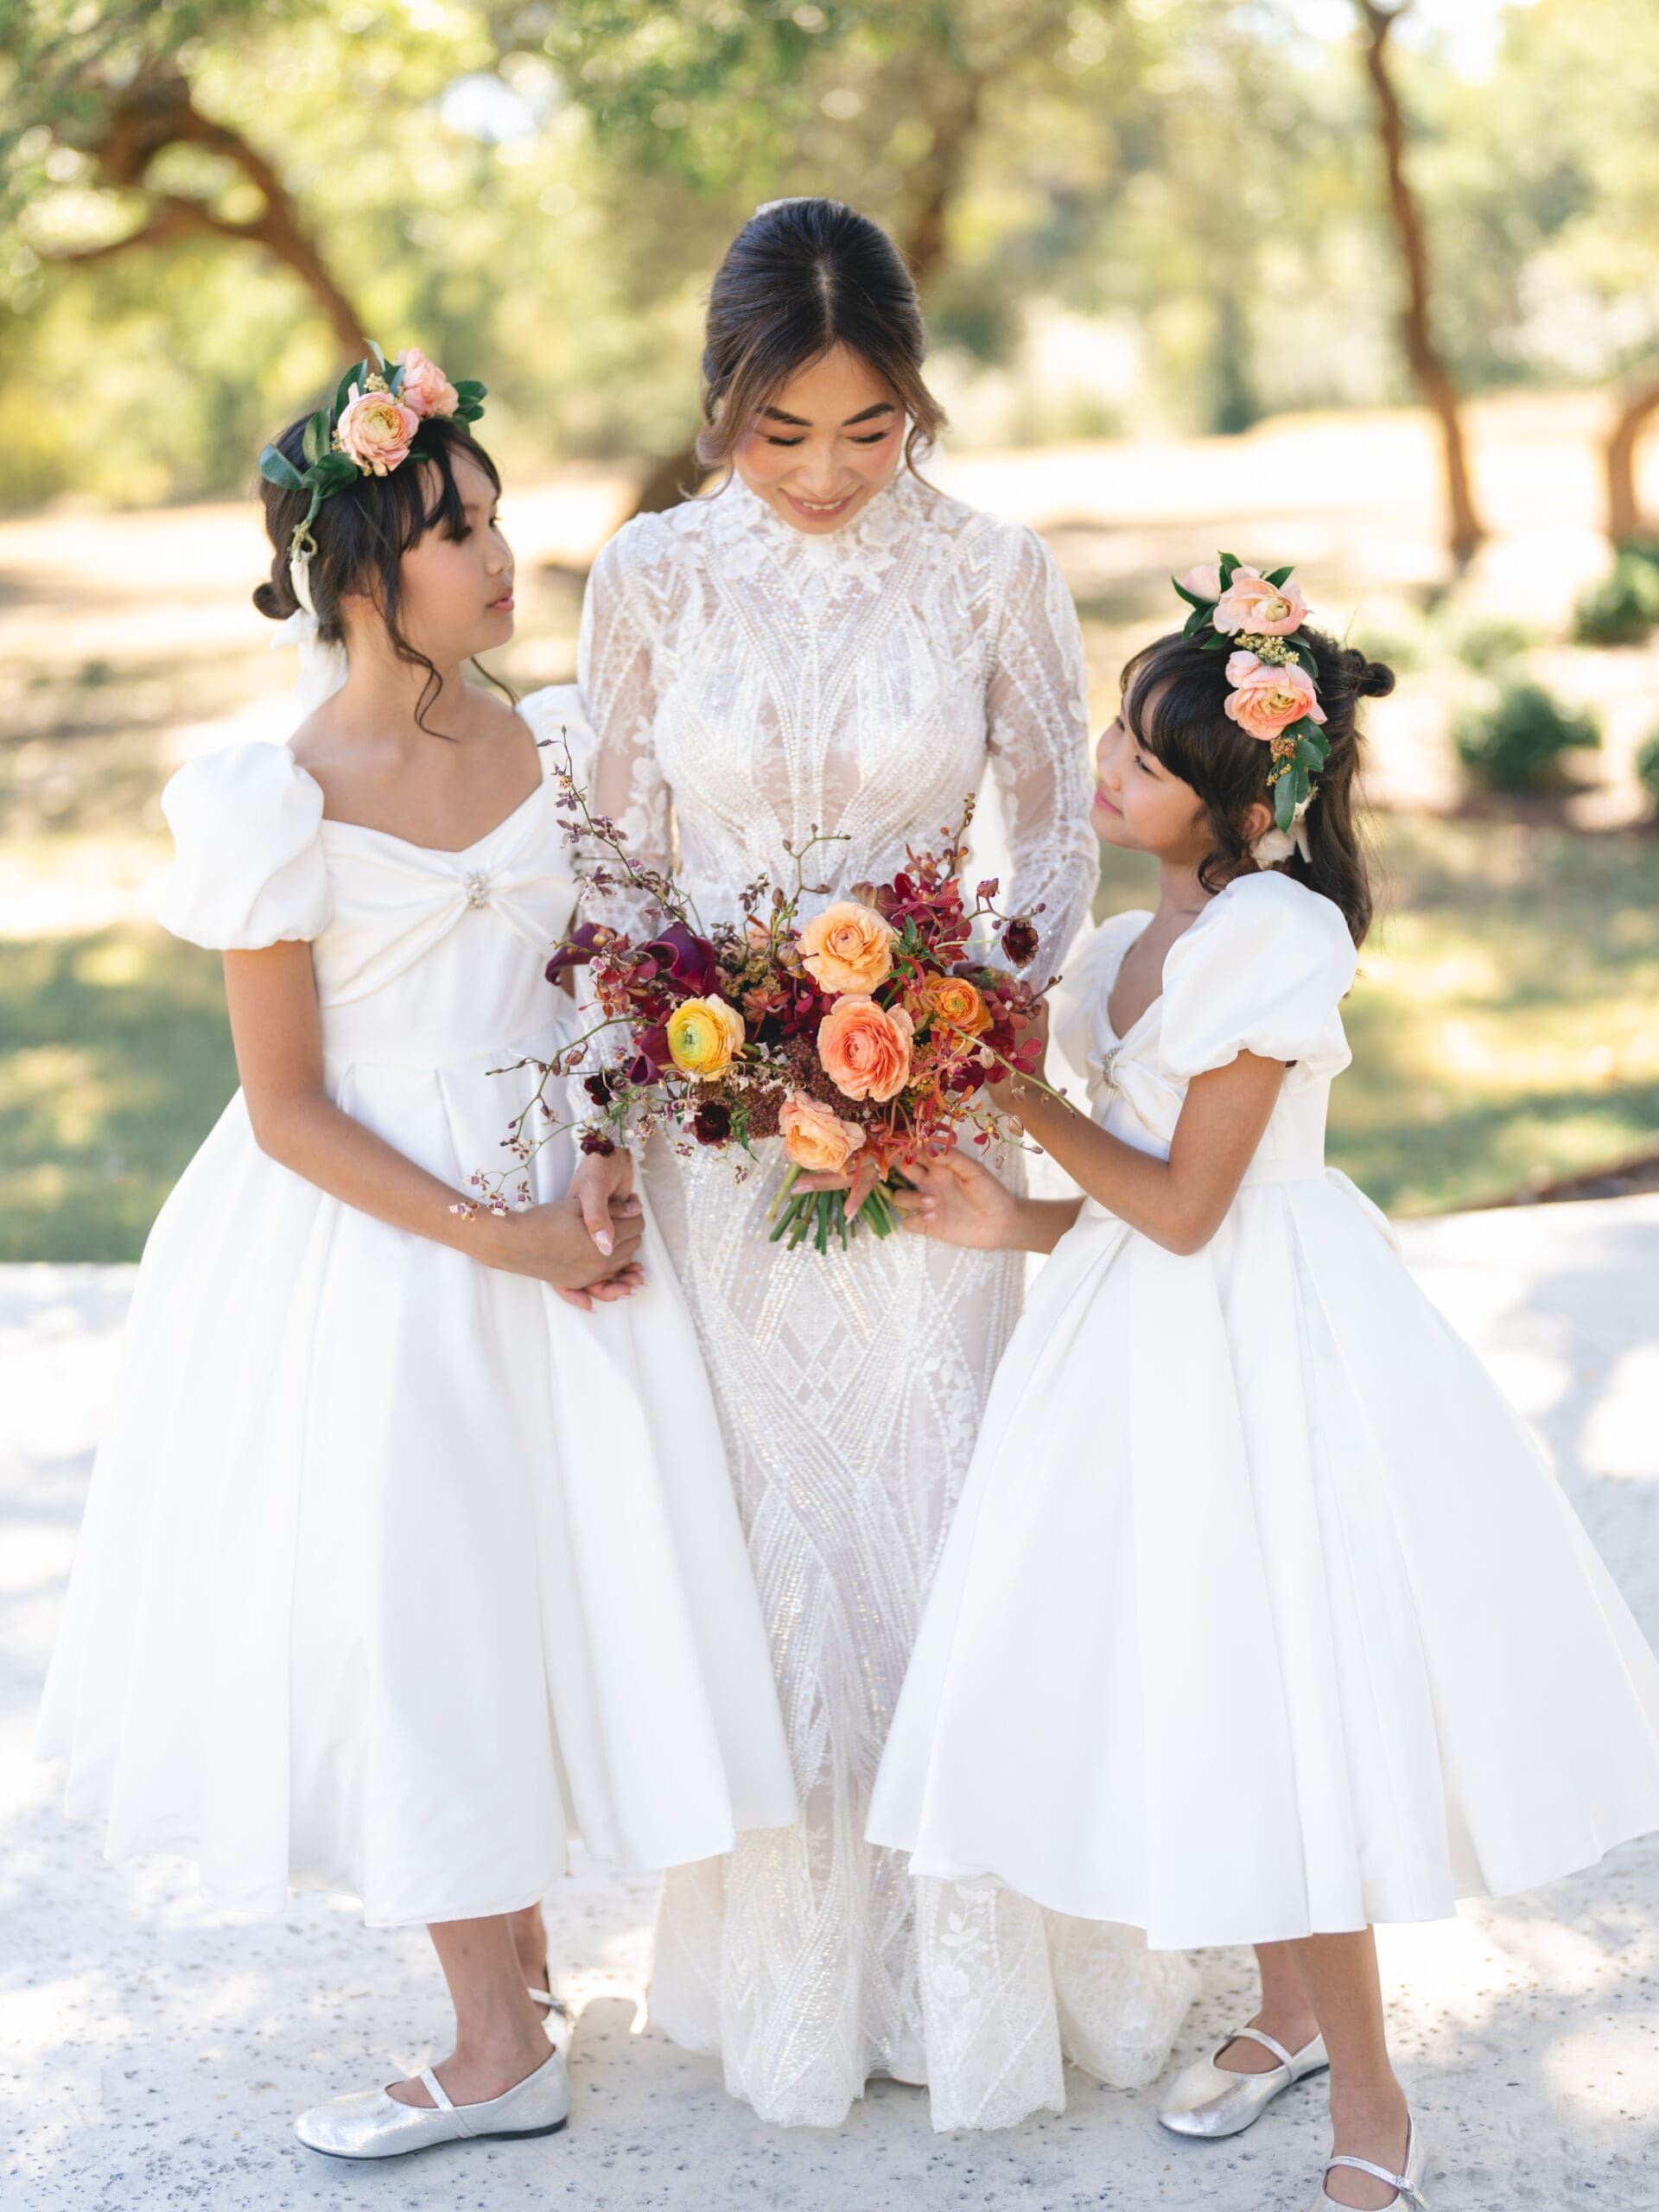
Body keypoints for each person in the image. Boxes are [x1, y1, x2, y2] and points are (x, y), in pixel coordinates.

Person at [35, 346, 795, 2162]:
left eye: (498, 514)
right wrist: (501, 1236)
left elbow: (595, 979)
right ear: (361, 565)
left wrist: (594, 1157)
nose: (503, 552)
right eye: (459, 528)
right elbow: (289, 1109)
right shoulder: (269, 799)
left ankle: (518, 1989)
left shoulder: (534, 740)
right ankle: (486, 2033)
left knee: (530, 1585)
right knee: (426, 1604)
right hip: (381, 1244)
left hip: (559, 1209)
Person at [868, 563, 1659, 2207]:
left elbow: (1188, 1204)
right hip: (1134, 1344)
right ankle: (1284, 2009)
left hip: (1266, 1340)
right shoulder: (1118, 950)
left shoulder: (1274, 940)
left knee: (1296, 1696)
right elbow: (1122, 1201)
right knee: (1201, 1668)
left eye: (1148, 762)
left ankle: (1374, 2098)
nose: (1108, 767)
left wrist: (1019, 1096)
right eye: (1117, 733)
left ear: (1239, 797)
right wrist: (999, 1216)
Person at [571, 199, 1196, 2129]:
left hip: (928, 1143)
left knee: (941, 1522)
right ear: (721, 409)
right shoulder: (649, 578)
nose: (831, 474)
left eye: (869, 430)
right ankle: (790, 1981)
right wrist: (610, 1110)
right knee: (767, 1545)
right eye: (786, 435)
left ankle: (982, 1972)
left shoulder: (998, 566)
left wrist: (964, 1032)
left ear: (914, 403)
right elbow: (605, 857)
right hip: (717, 1139)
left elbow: (1058, 839)